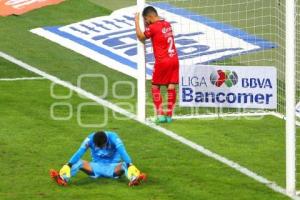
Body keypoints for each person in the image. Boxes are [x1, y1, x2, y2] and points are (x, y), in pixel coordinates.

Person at [50, 131, 146, 186]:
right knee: (78, 162)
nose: (99, 148)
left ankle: (134, 178)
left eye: (102, 146)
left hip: (113, 167)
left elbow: (123, 152)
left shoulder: (114, 138)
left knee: (125, 164)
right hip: (95, 167)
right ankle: (62, 178)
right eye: (97, 146)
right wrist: (68, 164)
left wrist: (129, 164)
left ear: (106, 141)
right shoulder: (89, 139)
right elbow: (79, 152)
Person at [135, 6, 179, 123]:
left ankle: (160, 114)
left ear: (150, 16)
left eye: (146, 20)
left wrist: (136, 21)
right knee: (171, 86)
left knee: (155, 87)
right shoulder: (167, 24)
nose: (146, 22)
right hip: (174, 59)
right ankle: (169, 116)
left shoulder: (153, 27)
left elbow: (141, 36)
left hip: (162, 61)